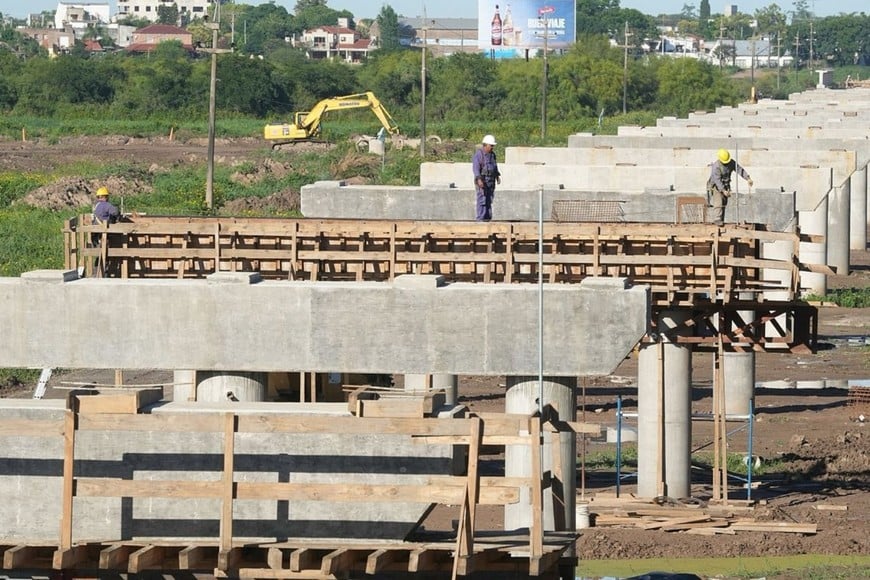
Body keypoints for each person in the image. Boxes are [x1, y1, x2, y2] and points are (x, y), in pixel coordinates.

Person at [706, 148, 752, 226]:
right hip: (716, 186)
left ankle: (721, 220)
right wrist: (723, 190)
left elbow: (739, 169)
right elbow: (717, 181)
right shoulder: (716, 166)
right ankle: (717, 219)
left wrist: (748, 178)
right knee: (719, 202)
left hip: (726, 184)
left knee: (724, 202)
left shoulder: (731, 162)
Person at [472, 134, 501, 221]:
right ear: (485, 145)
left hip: (491, 182)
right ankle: (480, 220)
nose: (492, 147)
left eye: (493, 146)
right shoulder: (479, 155)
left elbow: (494, 166)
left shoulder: (492, 155)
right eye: (491, 145)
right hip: (483, 181)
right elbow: (476, 168)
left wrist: (497, 176)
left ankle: (487, 219)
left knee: (489, 200)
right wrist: (479, 179)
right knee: (482, 200)